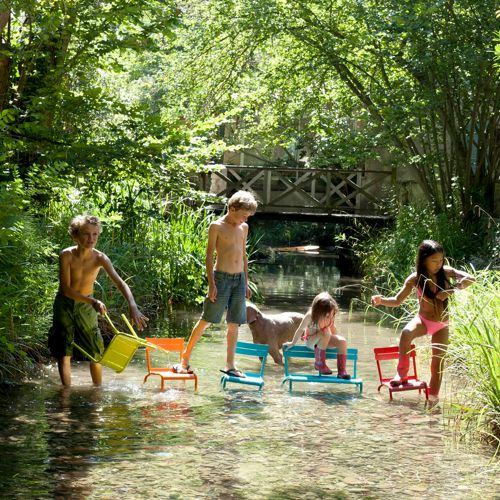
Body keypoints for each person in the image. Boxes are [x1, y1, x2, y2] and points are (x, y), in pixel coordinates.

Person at [48, 215, 149, 386]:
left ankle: (97, 393)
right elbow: (66, 289)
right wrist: (93, 302)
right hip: (64, 304)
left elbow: (120, 282)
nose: (91, 239)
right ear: (75, 236)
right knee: (64, 351)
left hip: (87, 307)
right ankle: (65, 395)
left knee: (95, 353)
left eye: (95, 234)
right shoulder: (66, 255)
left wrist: (133, 306)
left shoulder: (100, 258)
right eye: (86, 234)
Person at [371, 239, 474, 400]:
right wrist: (381, 300)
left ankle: (432, 399)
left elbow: (470, 278)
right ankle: (401, 373)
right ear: (423, 260)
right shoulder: (415, 278)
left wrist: (452, 290)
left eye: (441, 260)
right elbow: (397, 300)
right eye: (434, 261)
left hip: (442, 325)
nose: (438, 264)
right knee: (406, 332)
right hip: (423, 321)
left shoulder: (446, 272)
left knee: (437, 365)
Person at [173, 190, 258, 377]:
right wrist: (212, 284)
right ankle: (184, 359)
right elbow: (209, 256)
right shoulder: (216, 226)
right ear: (232, 208)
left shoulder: (243, 228)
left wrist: (246, 282)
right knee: (207, 319)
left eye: (248, 217)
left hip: (239, 280)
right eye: (243, 215)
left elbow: (243, 255)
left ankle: (230, 365)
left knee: (234, 323)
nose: (245, 220)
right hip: (221, 279)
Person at [282, 292, 351, 379]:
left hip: (325, 340)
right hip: (312, 342)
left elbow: (333, 331)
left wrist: (336, 342)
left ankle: (342, 371)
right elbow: (300, 330)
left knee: (342, 341)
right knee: (325, 332)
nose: (330, 318)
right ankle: (319, 363)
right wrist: (293, 343)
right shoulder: (310, 316)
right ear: (318, 312)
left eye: (331, 315)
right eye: (327, 316)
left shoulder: (330, 315)